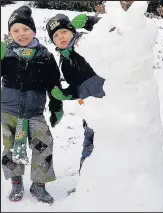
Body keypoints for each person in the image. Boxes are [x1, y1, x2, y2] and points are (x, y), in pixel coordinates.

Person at [1, 6, 64, 204]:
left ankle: (39, 184)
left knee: (44, 145)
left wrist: (56, 107)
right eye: (16, 30)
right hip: (8, 111)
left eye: (25, 29)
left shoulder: (45, 57)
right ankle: (16, 181)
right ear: (10, 34)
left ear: (34, 31)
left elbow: (54, 84)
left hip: (34, 111)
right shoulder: (6, 55)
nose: (21, 34)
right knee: (9, 148)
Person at [45, 14, 105, 170]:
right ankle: (87, 180)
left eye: (63, 31)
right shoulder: (65, 62)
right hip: (91, 111)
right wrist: (66, 94)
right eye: (55, 36)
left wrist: (90, 22)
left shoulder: (87, 41)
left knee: (113, 142)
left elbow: (114, 30)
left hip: (111, 102)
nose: (60, 37)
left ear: (72, 30)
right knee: (90, 143)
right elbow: (78, 88)